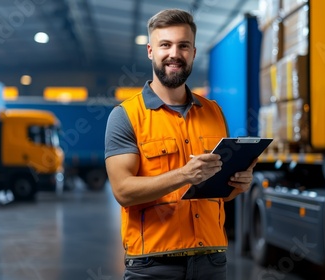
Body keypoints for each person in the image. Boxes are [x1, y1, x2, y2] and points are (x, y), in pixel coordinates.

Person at [104, 9, 257, 280]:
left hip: (211, 262)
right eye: (166, 45)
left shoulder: (214, 113)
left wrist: (239, 185)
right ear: (151, 51)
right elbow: (123, 191)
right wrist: (184, 175)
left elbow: (220, 193)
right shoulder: (126, 116)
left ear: (193, 53)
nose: (175, 53)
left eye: (183, 46)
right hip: (152, 266)